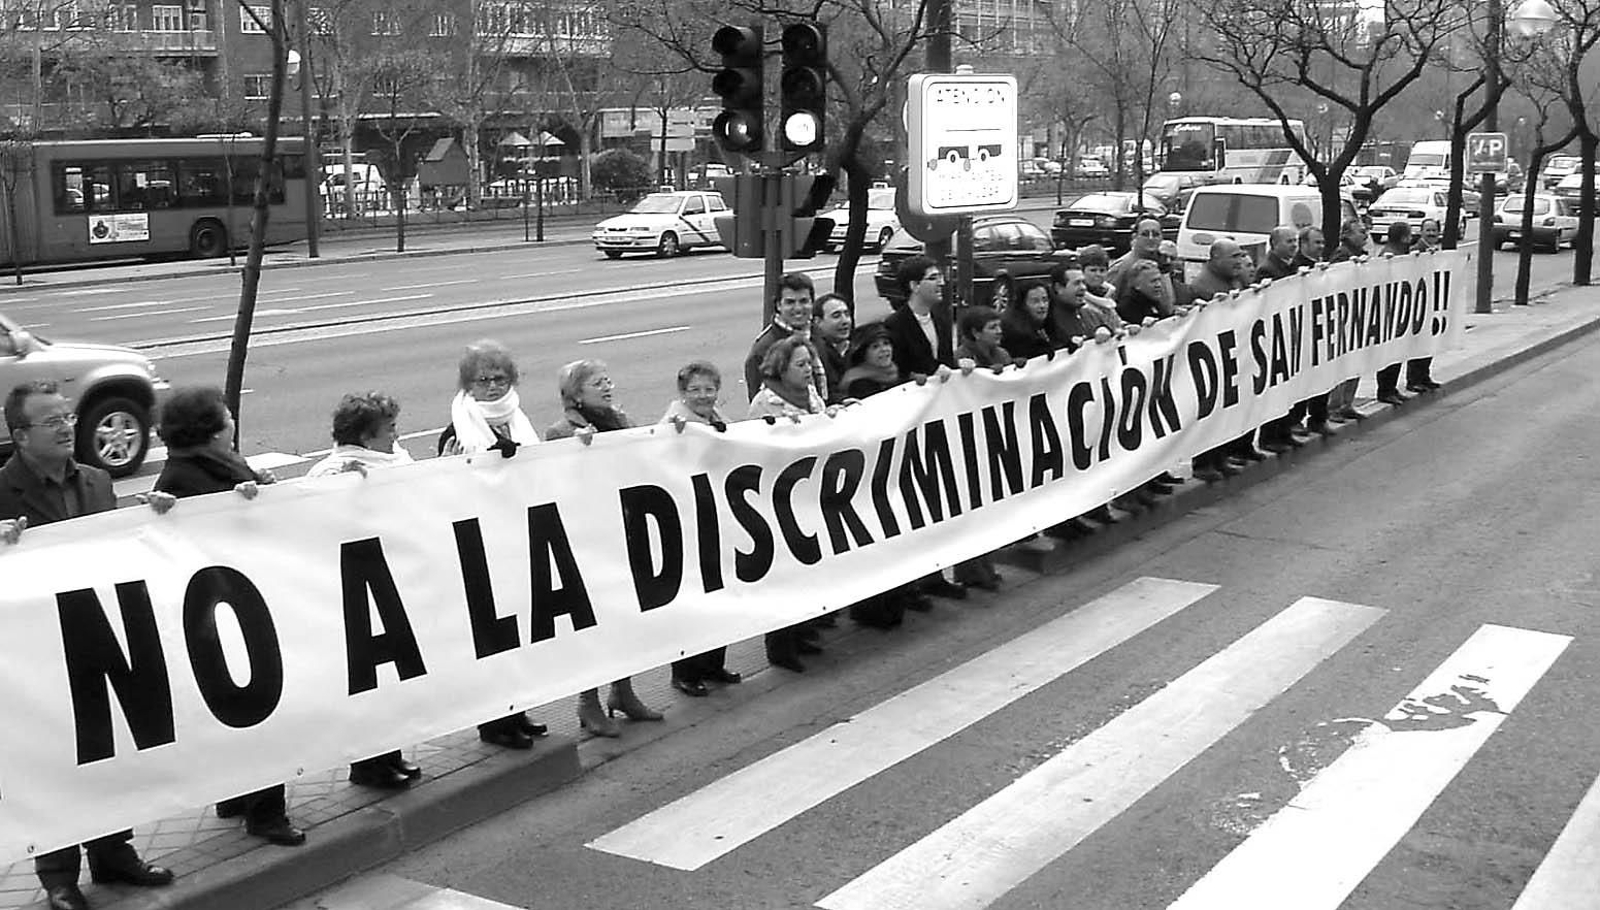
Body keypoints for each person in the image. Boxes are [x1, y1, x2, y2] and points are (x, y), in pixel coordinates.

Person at [1, 381, 175, 910]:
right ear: (20, 435)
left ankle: (113, 851)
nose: (66, 426)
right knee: (55, 757)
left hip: (98, 633)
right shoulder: (1, 491)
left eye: (67, 417)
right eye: (51, 421)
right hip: (36, 652)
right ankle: (58, 875)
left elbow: (115, 544)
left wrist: (150, 513)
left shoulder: (97, 481)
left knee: (109, 748)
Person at [149, 386, 306, 848]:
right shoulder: (186, 479)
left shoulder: (216, 468)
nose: (234, 423)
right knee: (261, 711)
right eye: (229, 417)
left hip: (232, 606)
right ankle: (266, 812)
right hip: (226, 612)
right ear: (214, 429)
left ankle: (238, 796)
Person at [306, 392, 422, 790]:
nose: (396, 434)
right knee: (369, 684)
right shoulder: (330, 473)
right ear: (366, 437)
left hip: (390, 583)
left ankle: (389, 754)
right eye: (389, 429)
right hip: (356, 590)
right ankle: (367, 764)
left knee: (391, 681)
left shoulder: (395, 461)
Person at [546, 359, 664, 733]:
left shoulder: (620, 420)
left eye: (608, 380)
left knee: (626, 614)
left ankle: (623, 690)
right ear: (576, 394)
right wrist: (579, 452)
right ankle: (588, 701)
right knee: (592, 622)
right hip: (588, 538)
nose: (608, 386)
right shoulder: (562, 431)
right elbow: (559, 482)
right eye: (598, 383)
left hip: (624, 528)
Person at [442, 341, 547, 750]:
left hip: (519, 539)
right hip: (482, 549)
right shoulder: (459, 429)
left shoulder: (518, 420)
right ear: (468, 385)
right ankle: (494, 723)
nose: (491, 387)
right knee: (492, 638)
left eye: (499, 378)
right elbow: (450, 485)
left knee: (520, 634)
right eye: (482, 380)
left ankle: (517, 712)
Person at [747, 337, 831, 669]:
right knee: (785, 574)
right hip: (779, 497)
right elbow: (755, 449)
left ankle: (803, 631)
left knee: (808, 566)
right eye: (800, 364)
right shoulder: (766, 403)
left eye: (809, 363)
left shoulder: (810, 396)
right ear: (782, 368)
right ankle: (780, 646)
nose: (808, 370)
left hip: (809, 492)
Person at [660, 362, 743, 695]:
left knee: (720, 593)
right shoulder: (674, 425)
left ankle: (713, 663)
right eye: (695, 390)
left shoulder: (717, 419)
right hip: (688, 524)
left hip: (717, 517)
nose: (703, 396)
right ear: (682, 393)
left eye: (709, 389)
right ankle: (685, 672)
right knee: (694, 599)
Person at [743, 272, 825, 401]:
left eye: (804, 301)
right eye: (790, 302)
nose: (798, 308)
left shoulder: (819, 334)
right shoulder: (764, 349)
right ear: (778, 305)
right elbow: (760, 402)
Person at [883, 255, 956, 381]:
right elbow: (895, 371)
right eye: (933, 278)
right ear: (914, 285)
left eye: (940, 277)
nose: (941, 283)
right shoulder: (894, 325)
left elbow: (947, 362)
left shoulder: (941, 319)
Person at [1107, 218, 1175, 310]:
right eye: (1145, 234)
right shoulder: (1121, 267)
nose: (1151, 238)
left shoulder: (1163, 263)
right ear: (1135, 237)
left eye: (1155, 234)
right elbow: (1108, 302)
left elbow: (1169, 305)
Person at [839, 321, 903, 400]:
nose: (884, 349)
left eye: (886, 343)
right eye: (875, 347)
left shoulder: (895, 372)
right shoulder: (859, 384)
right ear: (863, 354)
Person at [1000, 282, 1061, 361]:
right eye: (1035, 301)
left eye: (1045, 300)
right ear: (1023, 305)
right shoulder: (1014, 331)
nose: (1042, 305)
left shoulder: (1048, 323)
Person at [811, 292, 854, 404]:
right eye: (836, 316)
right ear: (818, 322)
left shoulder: (858, 347)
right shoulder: (814, 355)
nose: (845, 321)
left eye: (847, 314)